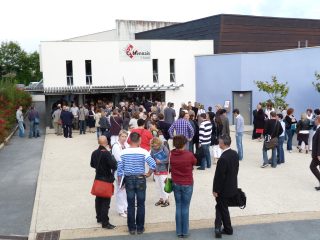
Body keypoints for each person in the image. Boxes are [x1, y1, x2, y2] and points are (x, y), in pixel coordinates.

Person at [118, 132, 156, 235]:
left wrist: (120, 183)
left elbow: (120, 170)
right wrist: (148, 173)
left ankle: (131, 228)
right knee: (140, 204)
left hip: (129, 179)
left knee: (130, 205)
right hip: (140, 178)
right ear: (139, 140)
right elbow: (153, 164)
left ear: (129, 140)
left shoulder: (123, 153)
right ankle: (140, 228)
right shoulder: (144, 152)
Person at [213, 135, 239, 238]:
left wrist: (215, 190)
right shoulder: (234, 154)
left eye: (220, 142)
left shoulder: (223, 158)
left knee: (222, 208)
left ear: (224, 143)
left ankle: (228, 229)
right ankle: (218, 227)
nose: (219, 144)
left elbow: (219, 177)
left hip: (223, 189)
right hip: (232, 186)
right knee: (220, 206)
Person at [170, 135, 197, 238]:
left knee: (178, 206)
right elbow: (194, 162)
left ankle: (179, 231)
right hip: (187, 182)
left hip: (176, 182)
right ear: (184, 144)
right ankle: (185, 231)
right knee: (185, 207)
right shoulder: (189, 154)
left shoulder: (171, 154)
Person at [90, 136, 117, 229]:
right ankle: (105, 222)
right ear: (106, 143)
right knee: (106, 201)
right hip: (106, 180)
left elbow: (92, 164)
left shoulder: (94, 152)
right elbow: (114, 166)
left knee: (98, 199)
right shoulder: (107, 154)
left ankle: (99, 218)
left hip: (97, 178)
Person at [112, 130, 129, 218]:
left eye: (125, 136)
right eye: (122, 136)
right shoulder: (116, 146)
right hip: (119, 171)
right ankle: (120, 210)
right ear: (119, 136)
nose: (124, 138)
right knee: (120, 190)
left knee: (125, 190)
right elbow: (119, 158)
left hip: (126, 170)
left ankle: (125, 207)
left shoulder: (126, 145)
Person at [150, 137, 170, 207]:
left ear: (159, 143)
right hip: (156, 170)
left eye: (156, 146)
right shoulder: (152, 150)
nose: (155, 147)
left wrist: (161, 161)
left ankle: (166, 200)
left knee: (164, 185)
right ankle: (161, 199)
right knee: (158, 186)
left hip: (163, 169)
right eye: (153, 146)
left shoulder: (164, 148)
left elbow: (168, 159)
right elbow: (151, 158)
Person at [310, 115, 320, 191]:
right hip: (317, 153)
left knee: (312, 166)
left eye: (315, 119)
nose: (314, 121)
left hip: (318, 154)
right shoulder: (318, 128)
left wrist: (318, 154)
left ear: (318, 120)